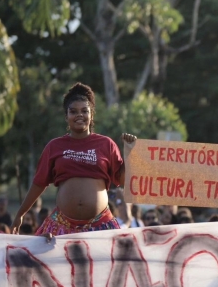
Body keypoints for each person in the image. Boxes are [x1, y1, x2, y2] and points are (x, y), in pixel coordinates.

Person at [11, 83, 137, 236]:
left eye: (85, 111)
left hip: (101, 226)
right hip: (61, 226)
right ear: (66, 116)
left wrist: (130, 152)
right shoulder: (54, 146)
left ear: (91, 116)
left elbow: (122, 180)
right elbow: (39, 183)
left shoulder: (106, 144)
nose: (79, 115)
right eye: (73, 111)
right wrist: (20, 214)